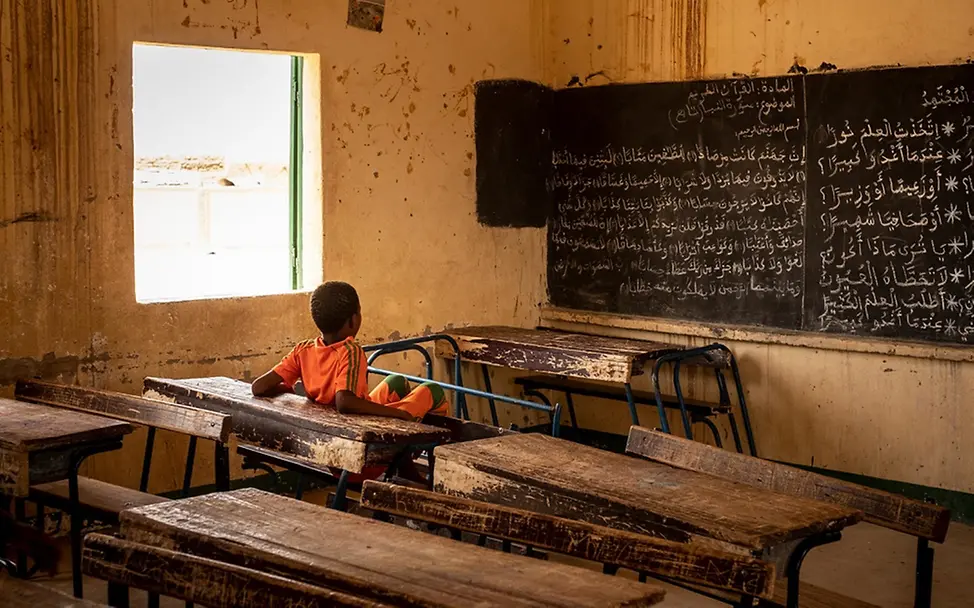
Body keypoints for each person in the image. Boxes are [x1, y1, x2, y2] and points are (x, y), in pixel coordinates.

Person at [251, 281, 449, 421]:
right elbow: (344, 402)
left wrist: (286, 389)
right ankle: (418, 449)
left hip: (333, 432)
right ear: (353, 320)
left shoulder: (303, 350)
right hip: (361, 446)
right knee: (433, 390)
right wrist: (399, 414)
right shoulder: (350, 351)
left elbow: (258, 387)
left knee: (397, 382)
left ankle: (406, 466)